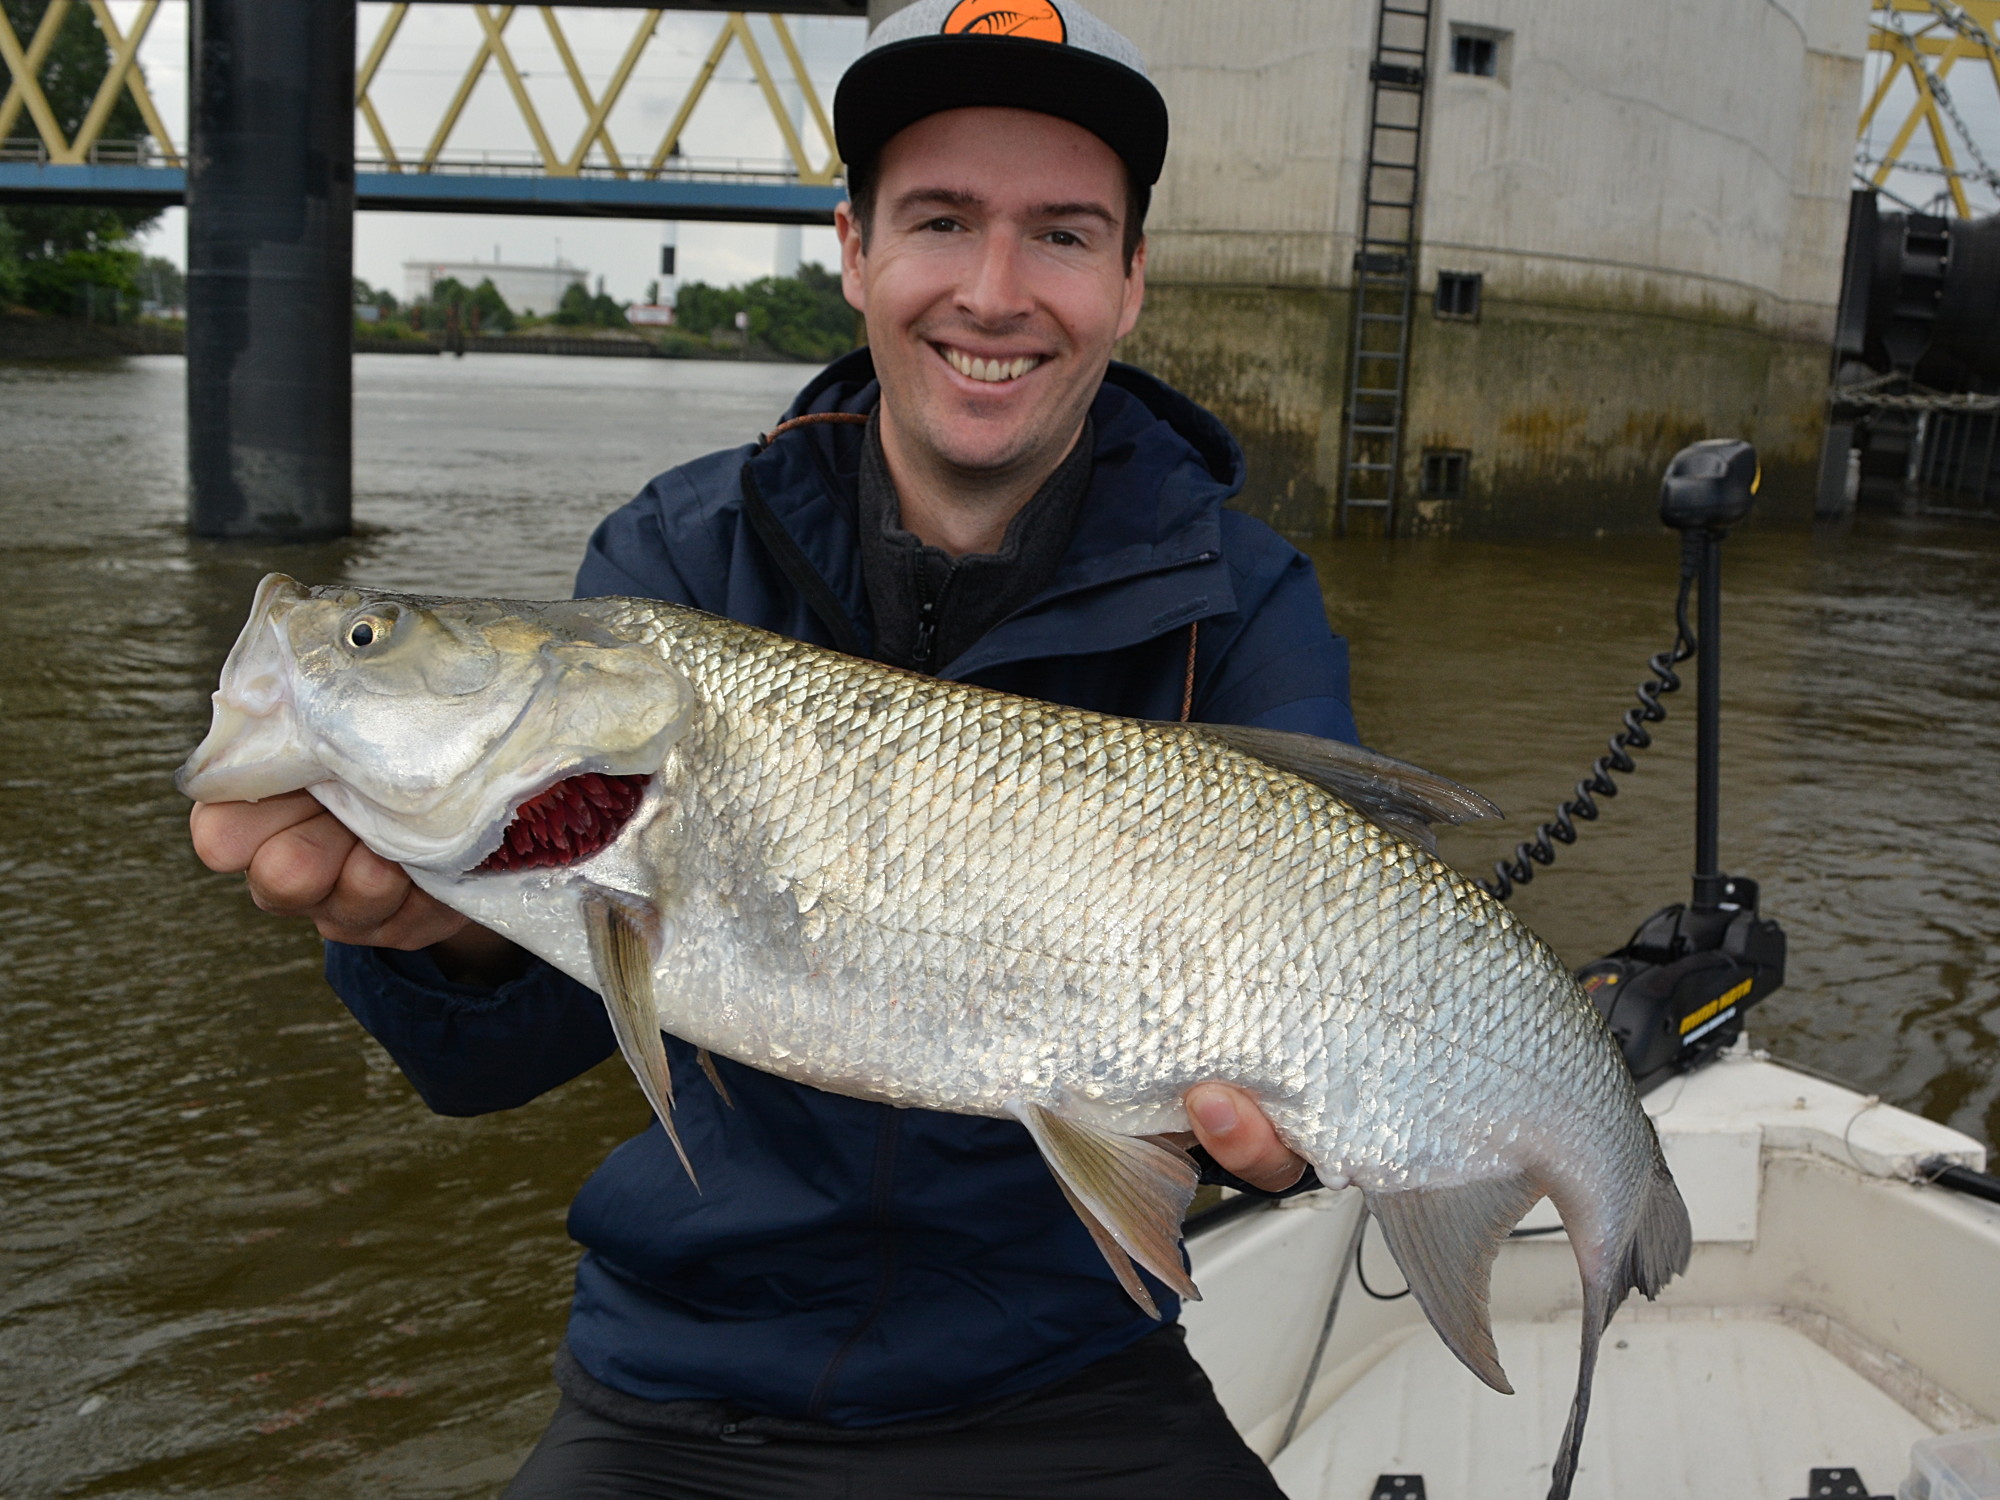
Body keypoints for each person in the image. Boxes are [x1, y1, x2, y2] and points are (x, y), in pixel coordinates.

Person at [188, 2, 1360, 1493]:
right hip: (684, 1373)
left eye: (1063, 235)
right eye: (939, 220)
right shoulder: (672, 562)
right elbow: (490, 1067)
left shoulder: (1243, 603)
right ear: (853, 248)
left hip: (1070, 1365)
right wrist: (447, 942)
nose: (995, 291)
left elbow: (1326, 1002)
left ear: (1131, 283)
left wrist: (1302, 1139)